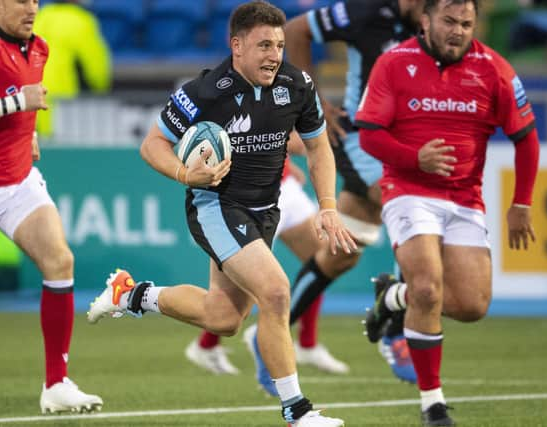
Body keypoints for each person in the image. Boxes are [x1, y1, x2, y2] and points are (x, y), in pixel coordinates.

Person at [87, 2, 355, 425]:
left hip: (266, 210)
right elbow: (152, 143)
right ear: (237, 47)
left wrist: (328, 206)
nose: (274, 54)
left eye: (280, 45)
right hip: (216, 205)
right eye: (264, 45)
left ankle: (132, 294)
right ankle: (298, 411)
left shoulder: (296, 83)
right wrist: (183, 172)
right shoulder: (205, 91)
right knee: (277, 292)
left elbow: (319, 146)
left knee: (223, 317)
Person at [355, 0, 540, 425]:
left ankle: (391, 297)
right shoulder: (393, 63)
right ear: (426, 21)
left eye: (466, 23)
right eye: (449, 21)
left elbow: (526, 140)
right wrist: (413, 158)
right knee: (427, 287)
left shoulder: (495, 69)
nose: (458, 31)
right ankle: (433, 405)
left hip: (464, 199)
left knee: (472, 306)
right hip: (408, 190)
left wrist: (522, 202)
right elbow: (369, 135)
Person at [0, 0, 102, 414]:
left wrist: (25, 134)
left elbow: (19, 108)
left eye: (35, 0)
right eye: (21, 0)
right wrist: (16, 105)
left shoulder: (38, 47)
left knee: (60, 261)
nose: (31, 8)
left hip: (19, 182)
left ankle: (56, 384)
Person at [275, 0, 427, 384]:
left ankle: (276, 330)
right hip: (363, 137)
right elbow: (295, 31)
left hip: (411, 140)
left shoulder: (440, 23)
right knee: (406, 203)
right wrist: (312, 102)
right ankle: (393, 330)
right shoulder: (366, 11)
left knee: (341, 255)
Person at [186, 151, 355, 378]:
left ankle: (307, 344)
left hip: (283, 181)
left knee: (322, 259)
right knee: (251, 271)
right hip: (255, 190)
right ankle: (206, 345)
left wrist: (284, 158)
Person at [33, 0, 111, 137]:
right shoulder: (82, 21)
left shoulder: (38, 16)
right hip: (62, 110)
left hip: (29, 108)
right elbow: (98, 75)